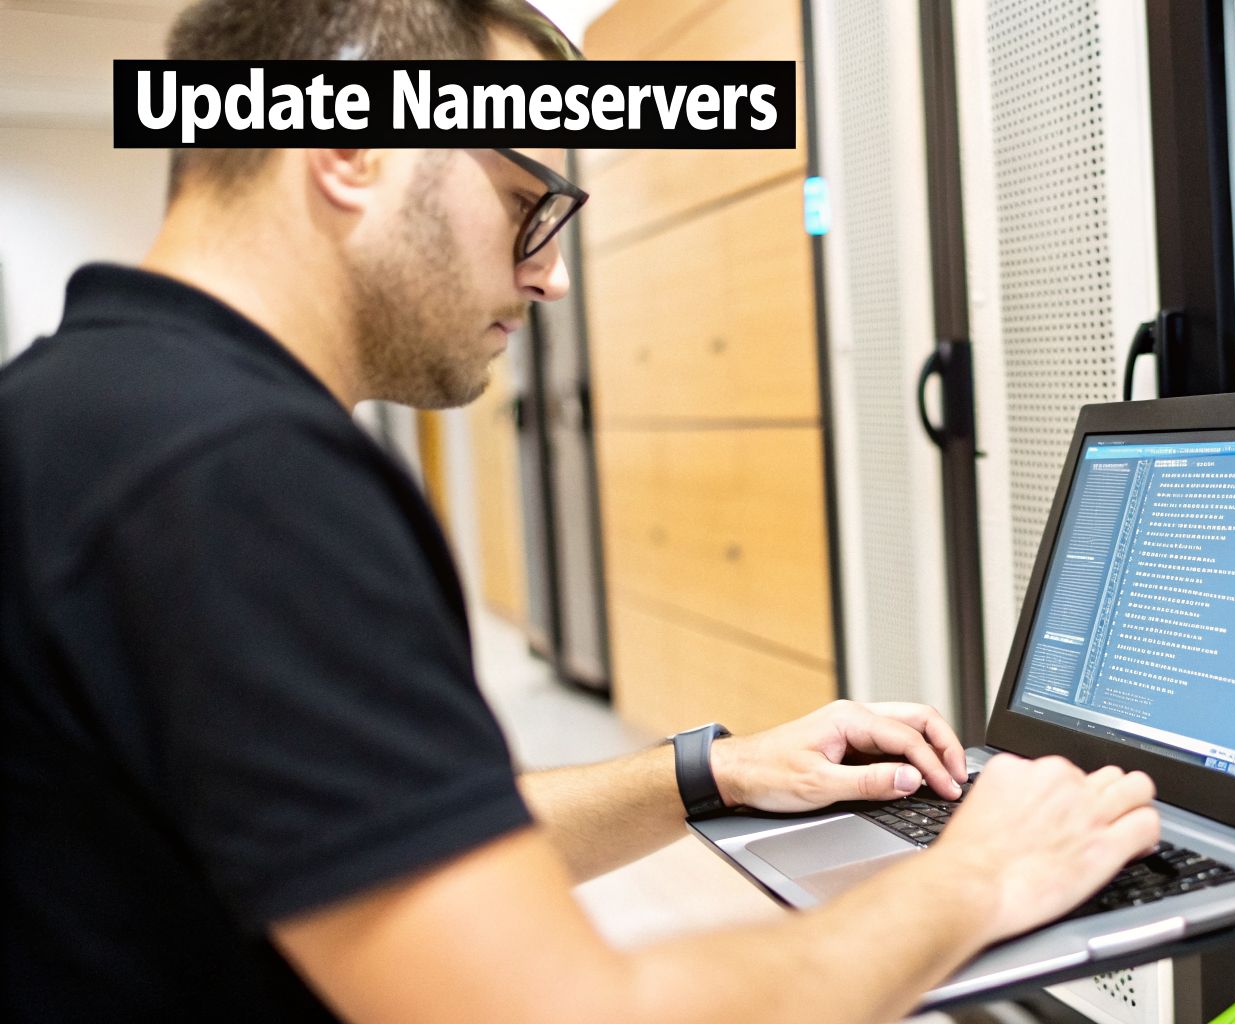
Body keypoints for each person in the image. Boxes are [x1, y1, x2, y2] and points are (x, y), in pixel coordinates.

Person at [0, 2, 1161, 1021]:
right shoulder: (236, 474)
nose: (550, 275)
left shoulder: (81, 411)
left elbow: (382, 833)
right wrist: (975, 877)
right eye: (523, 198)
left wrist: (712, 774)